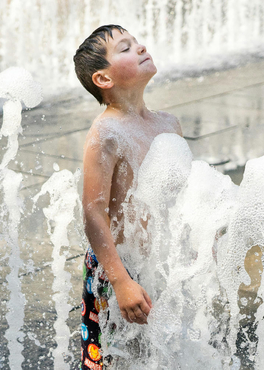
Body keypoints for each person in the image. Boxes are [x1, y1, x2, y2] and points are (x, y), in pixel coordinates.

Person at [73, 24, 183, 369]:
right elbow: (93, 213)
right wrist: (121, 282)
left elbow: (183, 195)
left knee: (163, 355)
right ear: (104, 79)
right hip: (120, 269)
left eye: (136, 42)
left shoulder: (169, 124)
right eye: (125, 48)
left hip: (160, 264)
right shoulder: (106, 132)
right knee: (110, 359)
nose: (140, 47)